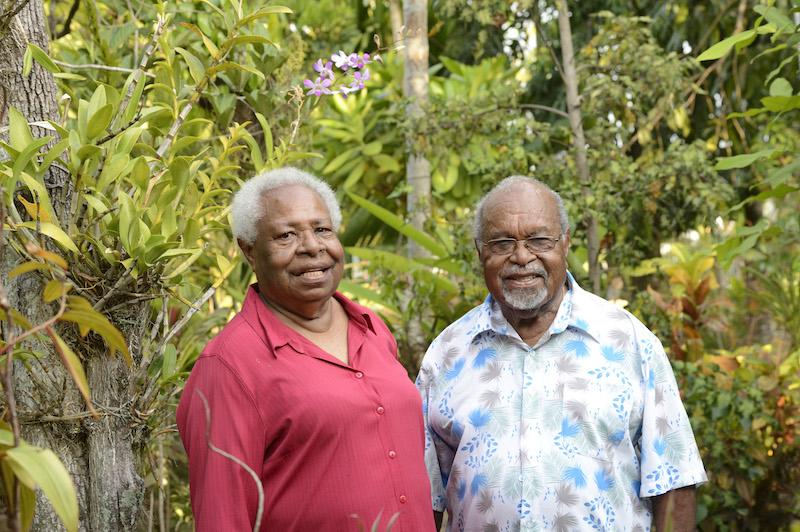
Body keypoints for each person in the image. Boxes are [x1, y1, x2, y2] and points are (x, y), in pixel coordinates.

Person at [416, 176, 707, 532]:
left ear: (565, 243)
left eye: (539, 239)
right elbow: (424, 497)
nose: (522, 256)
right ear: (480, 250)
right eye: (502, 242)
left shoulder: (629, 342)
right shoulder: (446, 355)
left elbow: (674, 481)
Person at [177, 167, 436, 532]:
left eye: (322, 229)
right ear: (249, 251)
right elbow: (222, 518)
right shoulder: (228, 365)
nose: (313, 246)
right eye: (286, 234)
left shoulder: (373, 329)